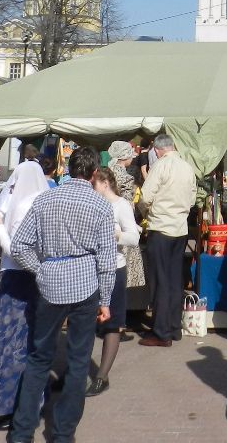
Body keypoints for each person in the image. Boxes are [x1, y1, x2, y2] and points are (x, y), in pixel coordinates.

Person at [6, 148, 116, 443]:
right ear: (94, 174)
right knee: (78, 362)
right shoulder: (100, 206)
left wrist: (40, 269)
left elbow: (19, 246)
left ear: (67, 168)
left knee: (39, 358)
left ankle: (21, 432)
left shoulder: (45, 199)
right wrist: (105, 300)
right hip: (85, 286)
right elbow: (106, 260)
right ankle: (63, 434)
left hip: (51, 283)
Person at [0, 160, 48, 430]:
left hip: (17, 279)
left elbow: (16, 251)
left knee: (11, 342)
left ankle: (7, 405)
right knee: (33, 342)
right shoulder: (45, 201)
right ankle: (34, 400)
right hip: (39, 280)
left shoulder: (22, 206)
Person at [138, 133, 196, 347]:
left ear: (157, 150)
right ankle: (174, 327)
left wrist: (146, 212)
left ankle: (161, 332)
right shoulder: (186, 167)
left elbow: (145, 196)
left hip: (161, 227)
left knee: (160, 281)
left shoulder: (161, 166)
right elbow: (191, 199)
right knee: (174, 280)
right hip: (179, 229)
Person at [86, 166, 139, 396]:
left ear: (105, 183)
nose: (92, 188)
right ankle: (76, 372)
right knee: (86, 320)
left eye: (94, 184)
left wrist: (116, 234)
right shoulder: (91, 203)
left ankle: (101, 376)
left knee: (112, 322)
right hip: (91, 268)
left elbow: (134, 237)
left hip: (115, 268)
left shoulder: (121, 205)